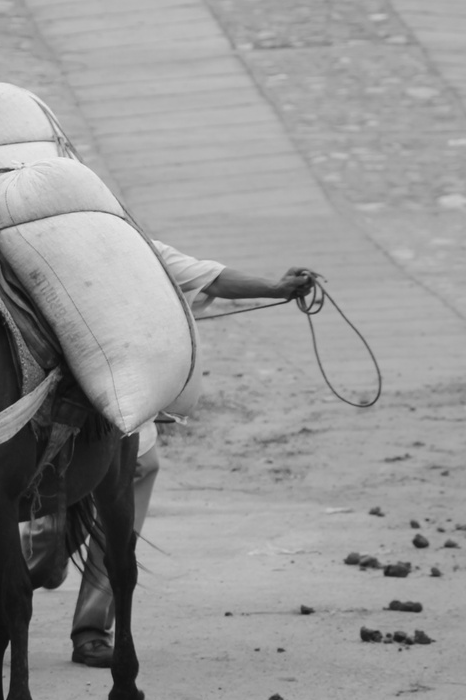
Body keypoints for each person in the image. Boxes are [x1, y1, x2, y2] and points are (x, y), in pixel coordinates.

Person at [66, 242, 315, 666]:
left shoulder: (136, 245)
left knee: (137, 477)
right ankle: (26, 571)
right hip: (58, 402)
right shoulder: (51, 244)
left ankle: (91, 628)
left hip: (125, 399)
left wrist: (276, 288)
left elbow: (211, 276)